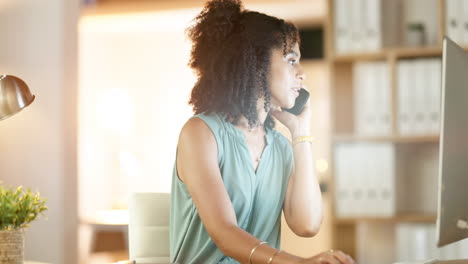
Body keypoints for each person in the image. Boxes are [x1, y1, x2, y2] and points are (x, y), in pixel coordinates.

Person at [170, 0, 356, 263]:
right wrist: (300, 263)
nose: (301, 73)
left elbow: (307, 225)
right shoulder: (200, 134)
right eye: (291, 60)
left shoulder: (279, 146)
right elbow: (225, 233)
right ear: (256, 65)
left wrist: (301, 133)